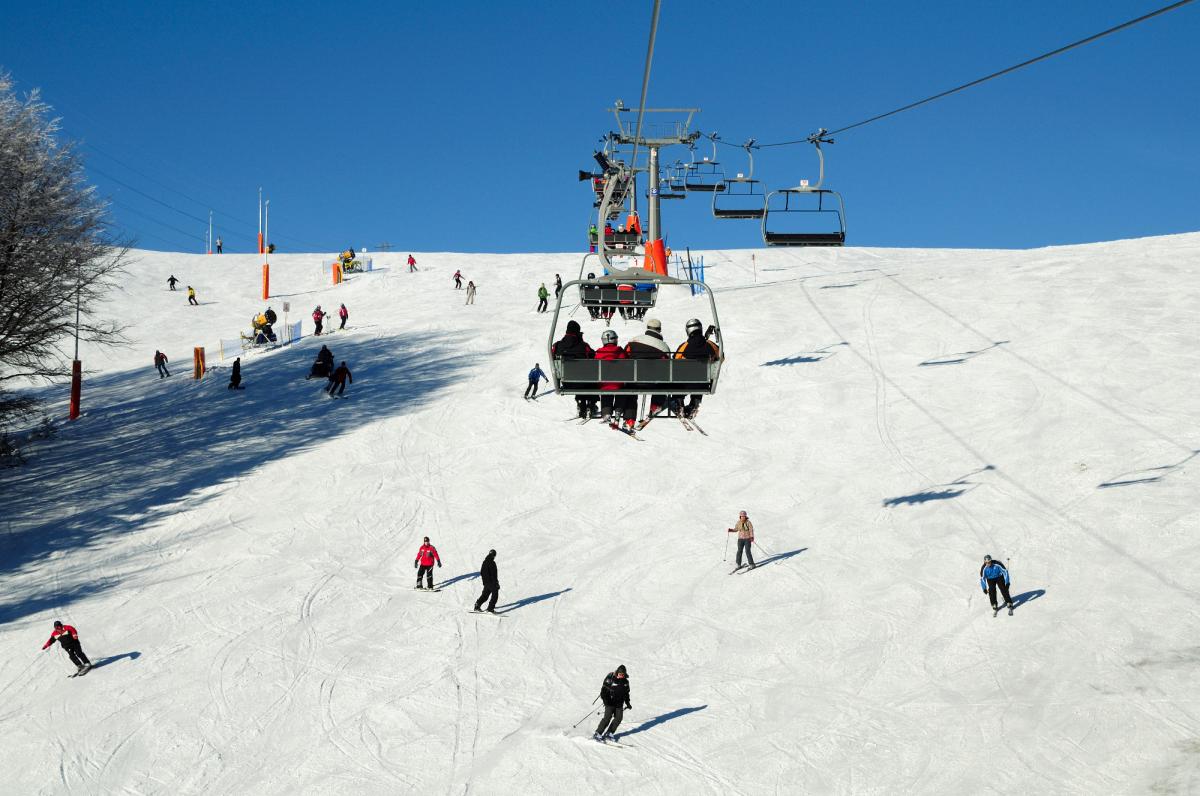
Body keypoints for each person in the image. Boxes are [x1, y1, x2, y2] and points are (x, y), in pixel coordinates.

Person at [673, 318, 721, 418]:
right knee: (700, 377)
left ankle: (679, 403)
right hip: (702, 384)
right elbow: (721, 357)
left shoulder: (685, 346)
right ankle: (695, 403)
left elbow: (675, 360)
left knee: (679, 379)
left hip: (684, 384)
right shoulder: (710, 345)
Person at [625, 318, 671, 421]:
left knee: (629, 390)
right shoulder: (664, 347)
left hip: (634, 381)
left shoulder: (633, 341)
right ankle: (656, 405)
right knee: (663, 379)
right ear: (659, 330)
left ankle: (629, 419)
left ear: (647, 328)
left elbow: (624, 358)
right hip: (654, 383)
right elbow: (667, 367)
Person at [552, 320, 596, 419]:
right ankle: (591, 404)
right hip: (585, 382)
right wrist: (581, 341)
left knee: (578, 379)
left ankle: (580, 402)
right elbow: (593, 355)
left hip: (567, 382)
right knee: (590, 380)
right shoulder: (583, 346)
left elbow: (553, 356)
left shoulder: (557, 345)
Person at [595, 329, 633, 429]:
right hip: (619, 384)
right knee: (621, 388)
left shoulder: (599, 353)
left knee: (606, 388)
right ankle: (618, 411)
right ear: (615, 340)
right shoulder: (620, 352)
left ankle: (606, 413)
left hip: (604, 383)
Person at [594, 665, 631, 741]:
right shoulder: (611, 679)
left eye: (623, 674)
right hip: (609, 702)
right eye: (620, 674)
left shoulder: (626, 682)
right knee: (607, 717)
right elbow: (603, 692)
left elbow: (626, 694)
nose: (621, 676)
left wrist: (627, 703)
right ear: (617, 673)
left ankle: (609, 733)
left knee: (619, 718)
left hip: (619, 703)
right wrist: (606, 701)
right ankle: (598, 733)